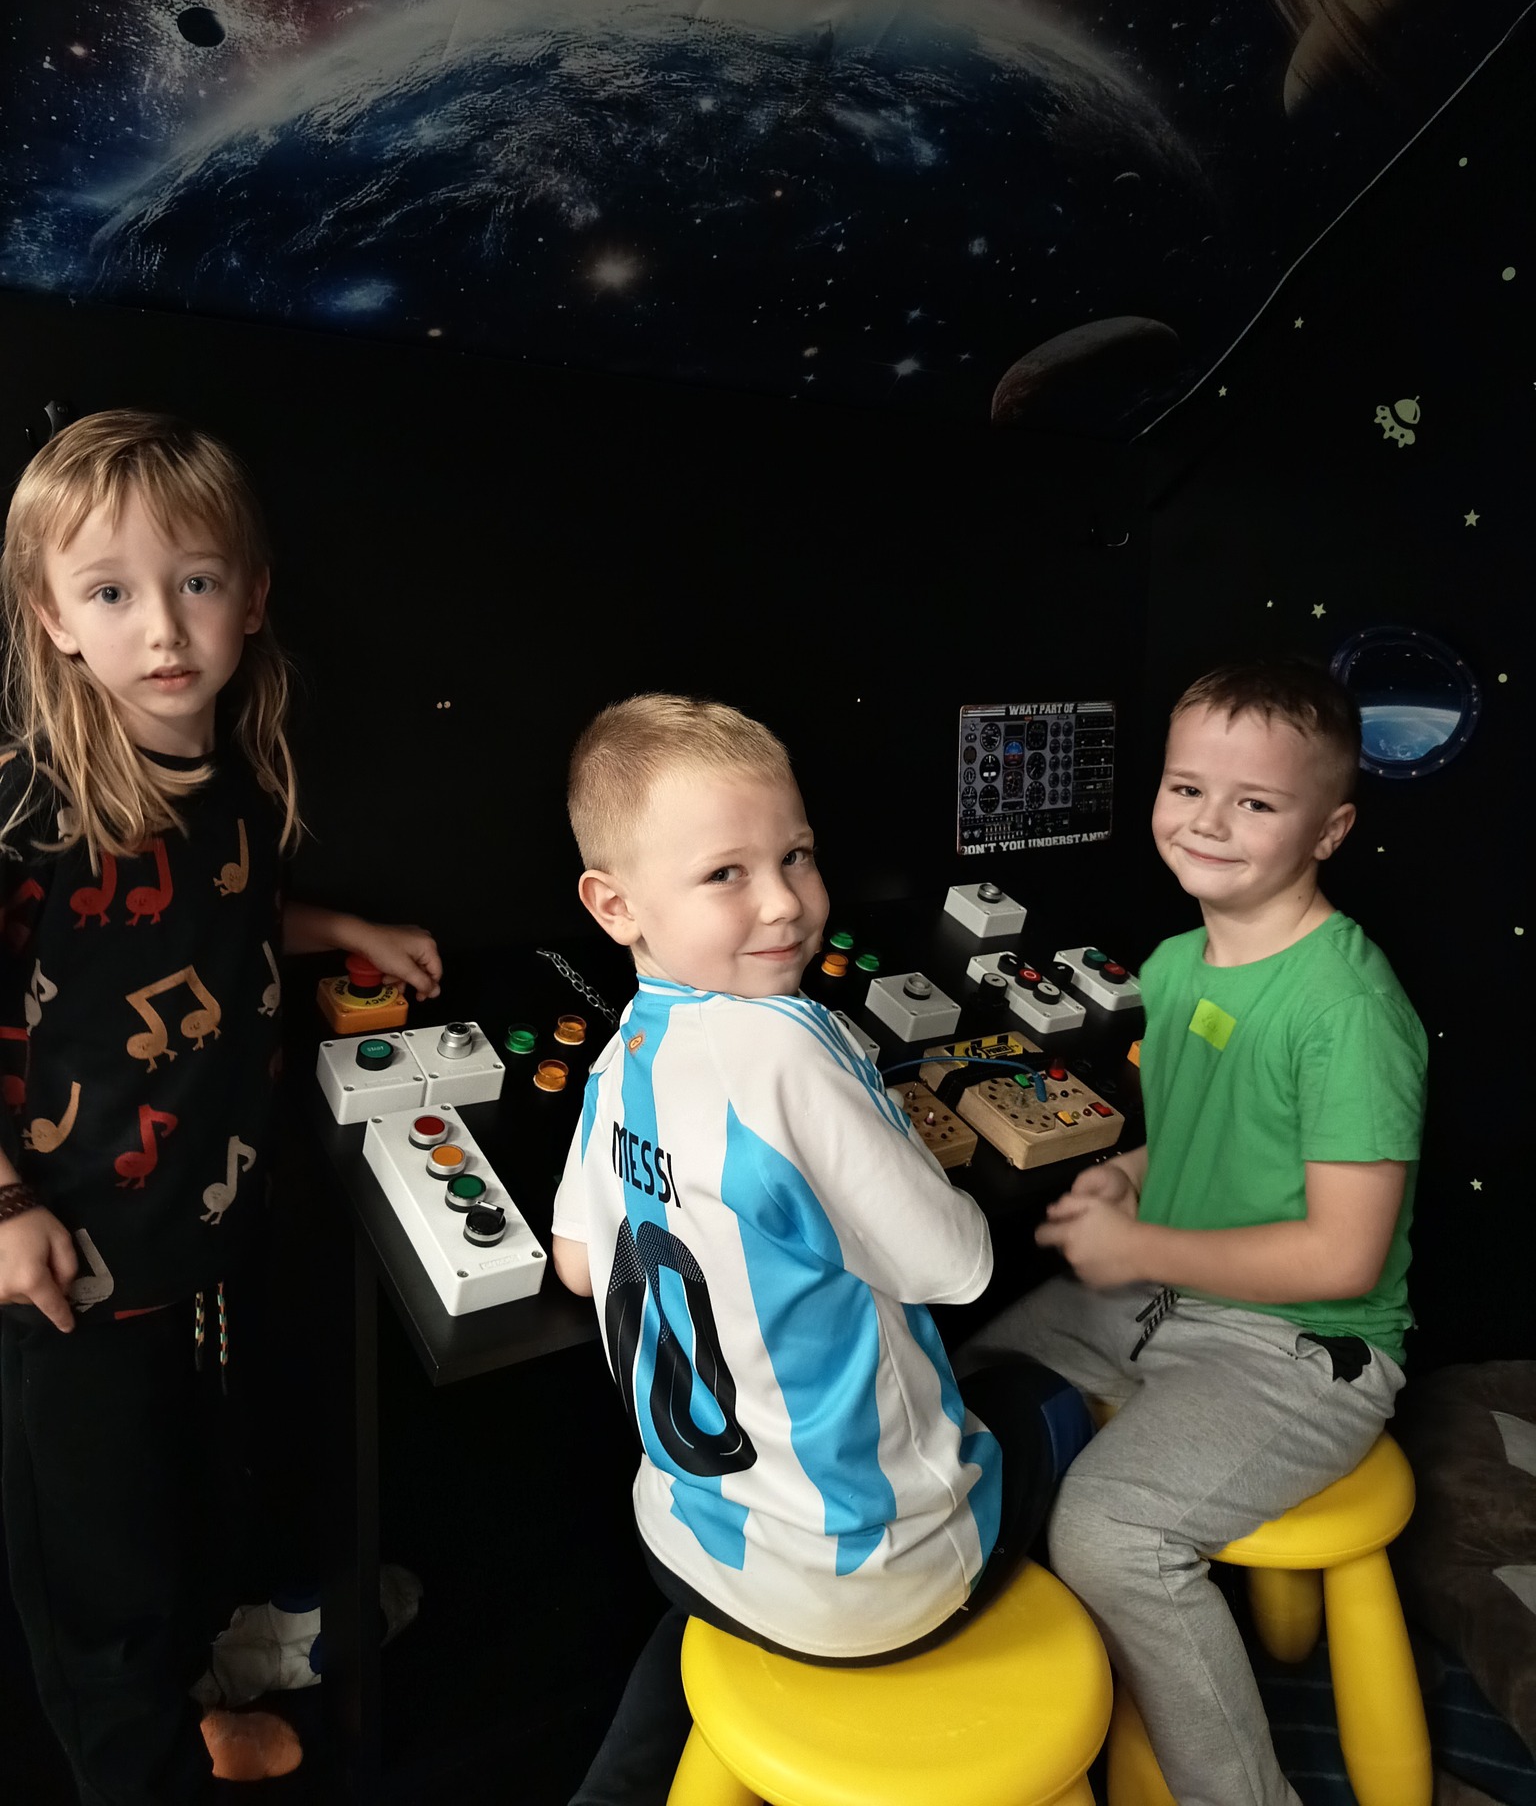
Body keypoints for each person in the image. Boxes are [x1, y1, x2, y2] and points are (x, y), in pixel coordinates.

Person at [0, 409, 442, 1804]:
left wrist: (345, 928)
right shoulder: (28, 813)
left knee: (189, 1492)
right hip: (72, 1266)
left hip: (203, 1234)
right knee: (99, 1567)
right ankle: (138, 1770)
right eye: (110, 591)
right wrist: (4, 1204)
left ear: (250, 596)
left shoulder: (234, 783)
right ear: (53, 618)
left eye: (195, 581)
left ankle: (196, 1700)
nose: (162, 626)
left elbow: (220, 922)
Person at [550, 694, 1091, 1806]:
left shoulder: (622, 1052)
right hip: (874, 1590)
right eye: (727, 874)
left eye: (795, 855)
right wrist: (883, 1131)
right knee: (1048, 1394)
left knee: (739, 1592)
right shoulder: (793, 1046)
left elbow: (574, 1256)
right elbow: (960, 1265)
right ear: (615, 904)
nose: (785, 903)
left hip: (683, 1537)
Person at [959, 659, 1427, 1806]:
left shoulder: (1348, 1009)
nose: (1209, 822)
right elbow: (1205, 1136)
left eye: (1255, 802)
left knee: (1111, 1532)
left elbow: (1344, 1254)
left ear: (1331, 829)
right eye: (1187, 788)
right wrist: (1125, 1175)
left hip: (1302, 1349)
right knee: (953, 1387)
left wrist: (1142, 1249)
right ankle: (1035, 1700)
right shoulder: (1178, 964)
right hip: (1165, 1298)